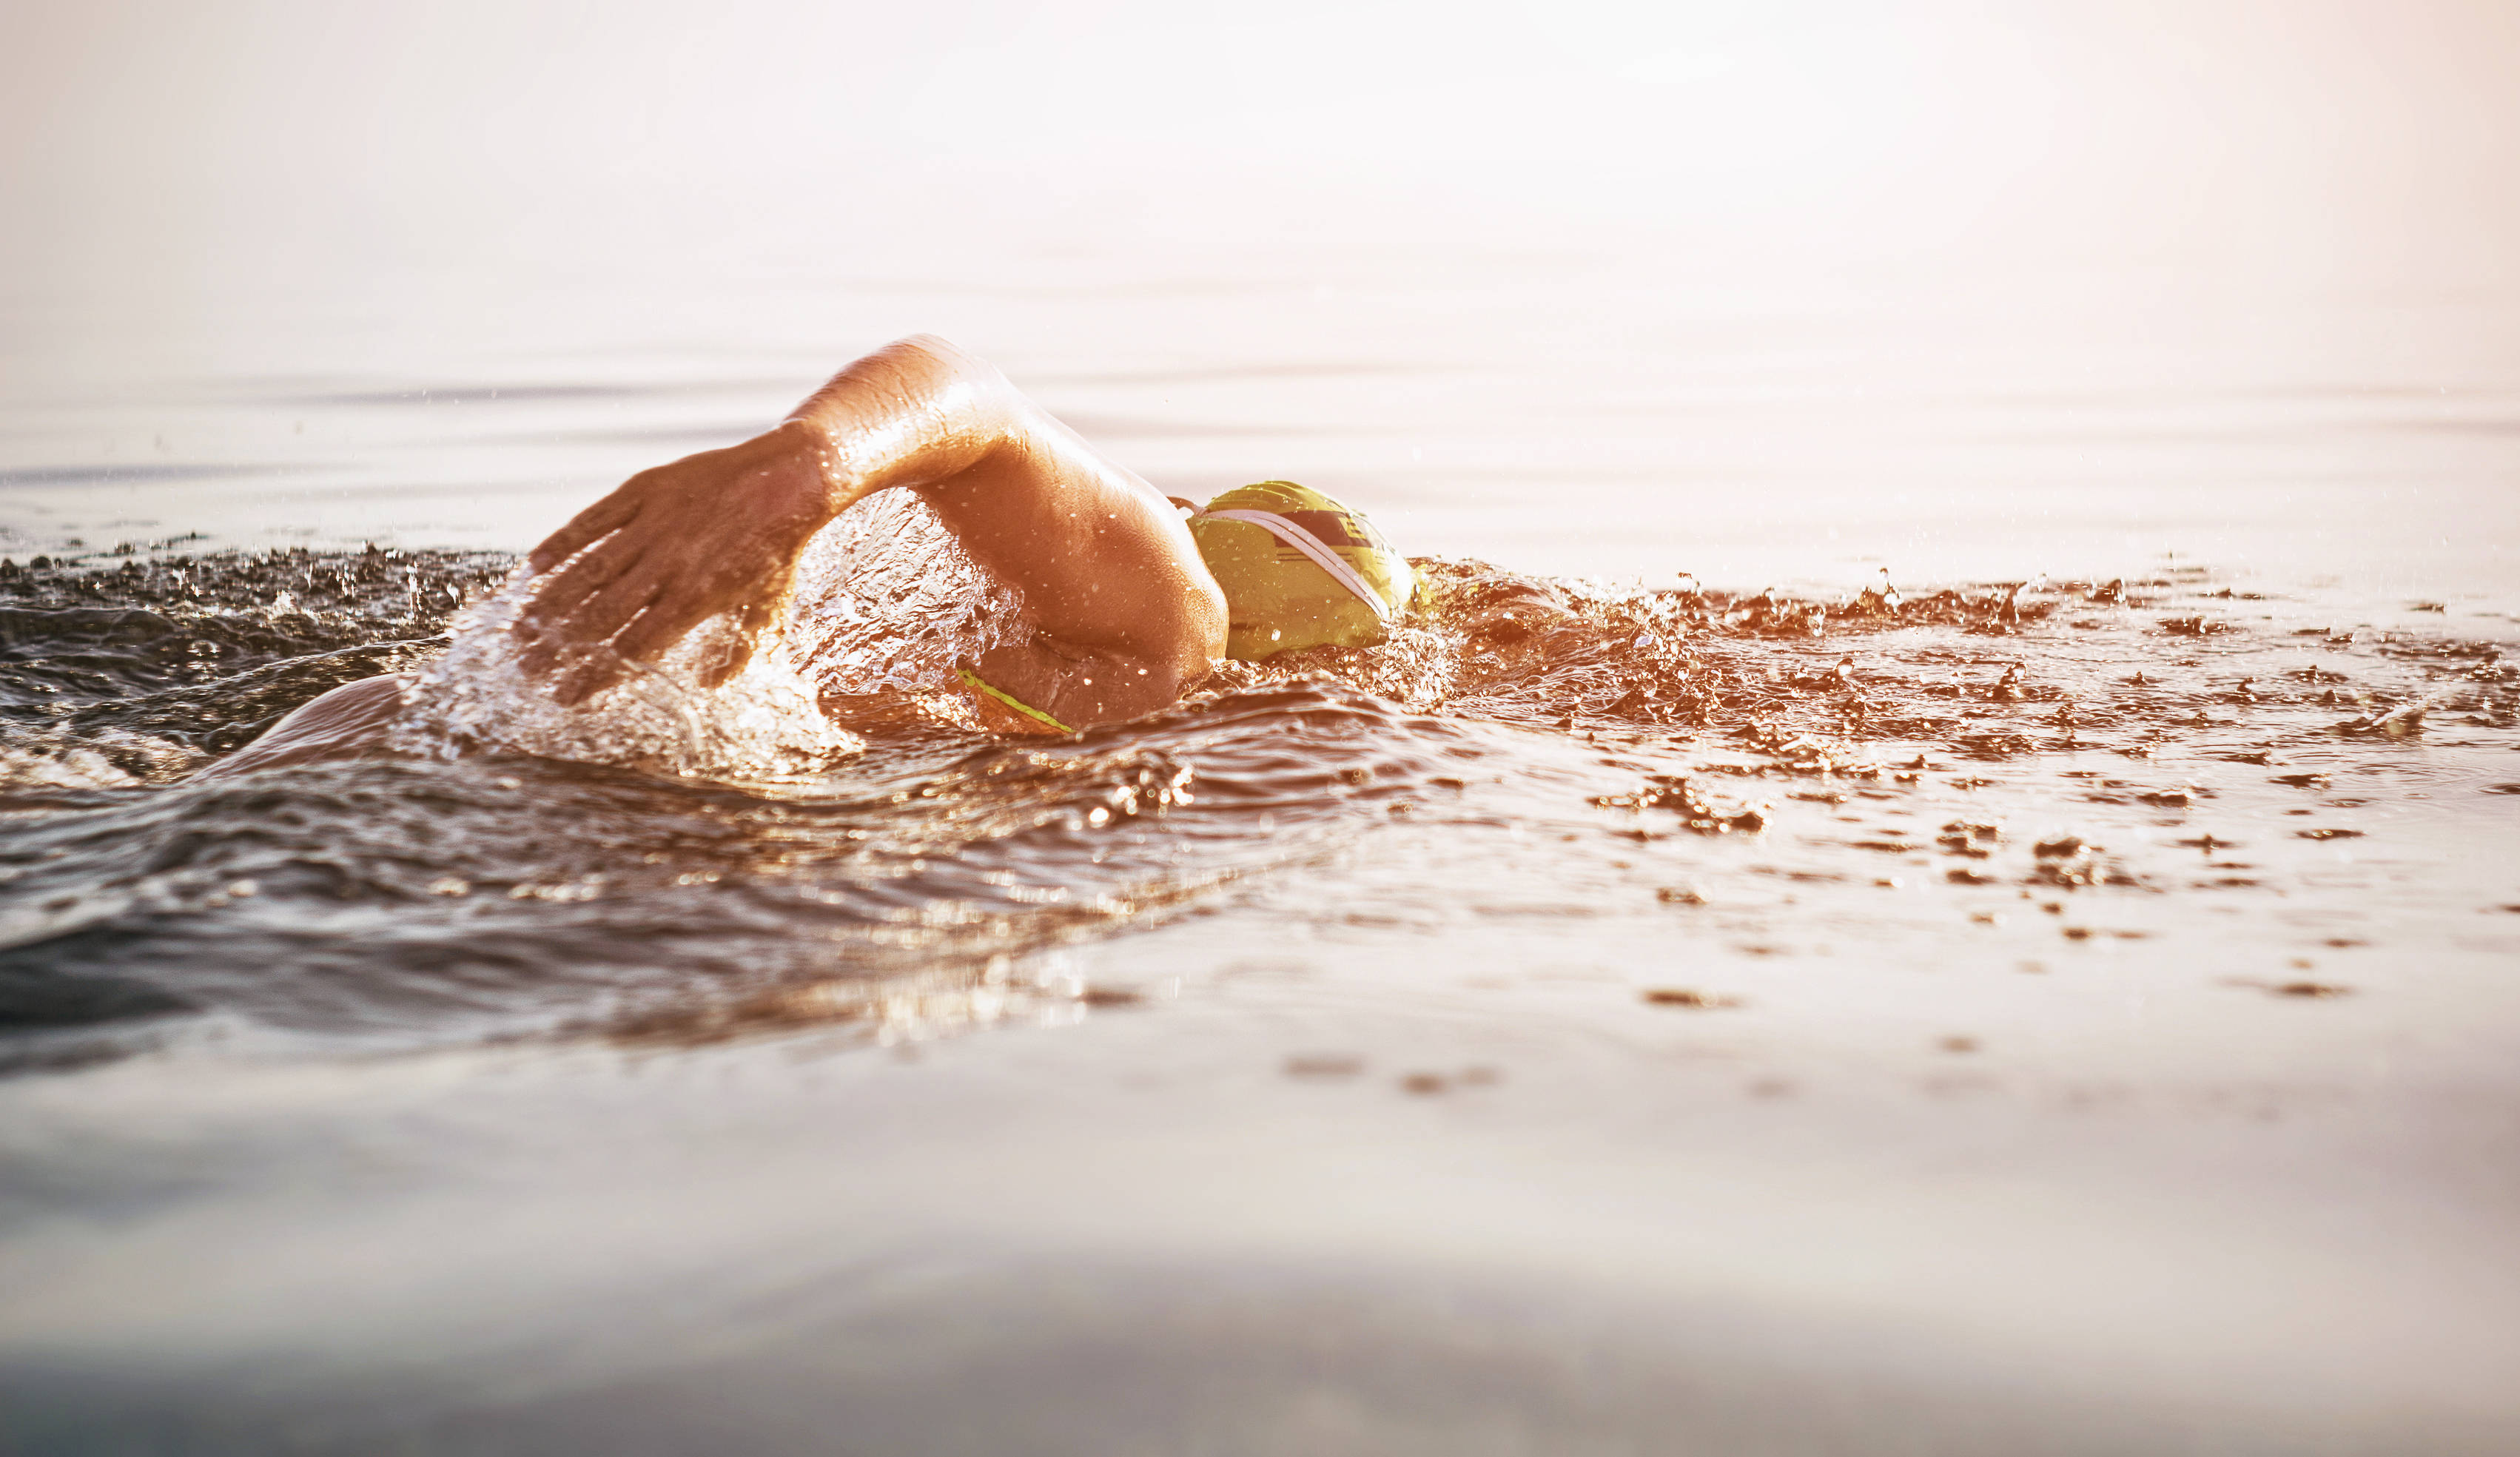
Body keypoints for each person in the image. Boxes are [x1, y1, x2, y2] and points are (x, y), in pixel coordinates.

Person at [206, 336, 1414, 773]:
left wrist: (811, 469)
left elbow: (973, 404)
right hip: (605, 808)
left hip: (414, 736)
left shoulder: (1174, 629)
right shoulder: (1157, 673)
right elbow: (969, 395)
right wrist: (796, 477)